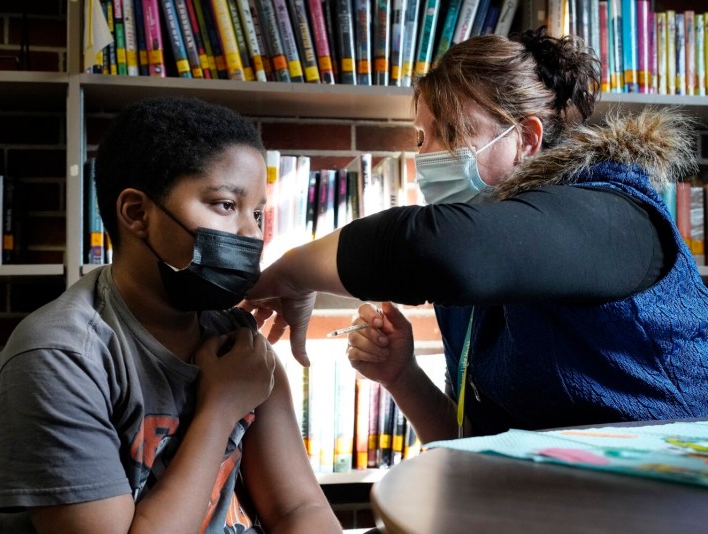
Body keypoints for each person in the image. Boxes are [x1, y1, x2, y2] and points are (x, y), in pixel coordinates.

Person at [247, 27, 708, 444]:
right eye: (421, 137)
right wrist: (402, 376)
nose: (427, 156)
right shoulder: (477, 267)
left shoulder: (614, 217)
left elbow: (433, 248)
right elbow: (469, 442)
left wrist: (292, 272)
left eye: (450, 132)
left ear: (527, 139)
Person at [0, 97, 341, 533]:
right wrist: (220, 408)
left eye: (257, 212)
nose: (251, 234)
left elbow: (298, 510)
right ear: (136, 213)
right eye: (226, 205)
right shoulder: (56, 360)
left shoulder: (235, 337)